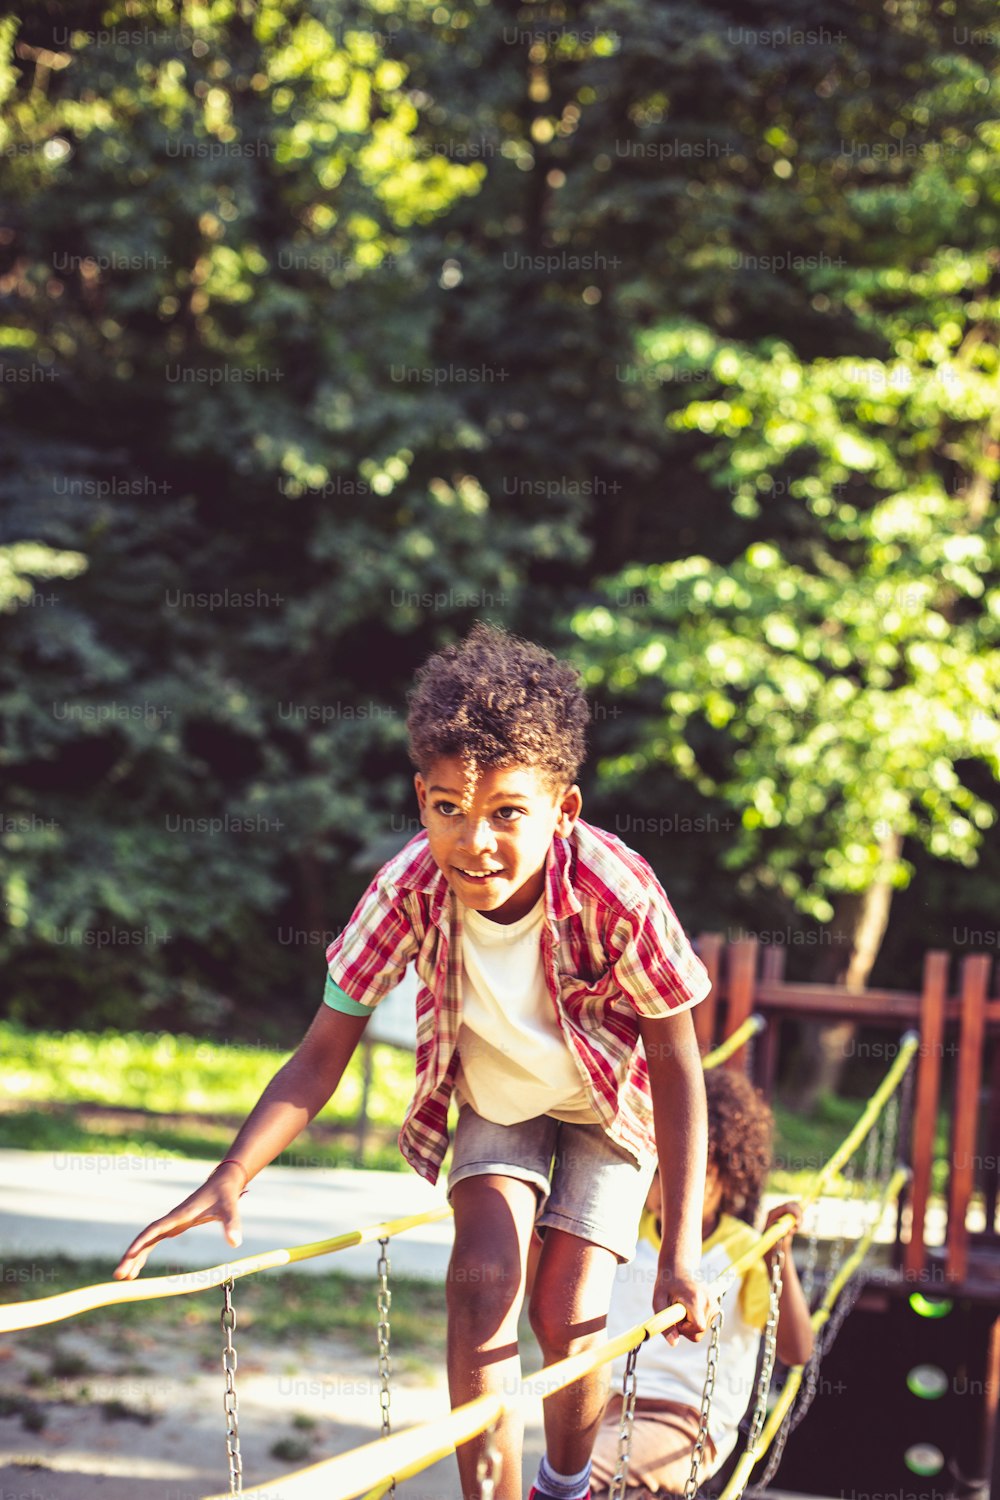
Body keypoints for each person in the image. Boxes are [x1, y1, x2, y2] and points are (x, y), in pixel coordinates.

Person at [114, 621, 717, 1500]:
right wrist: (234, 1171)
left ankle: (566, 1485)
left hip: (609, 1103)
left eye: (509, 813)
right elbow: (322, 1053)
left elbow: (675, 1056)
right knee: (479, 1283)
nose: (475, 843)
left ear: (565, 809)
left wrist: (684, 1250)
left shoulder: (615, 889)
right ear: (421, 798)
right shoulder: (407, 888)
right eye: (447, 809)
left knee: (568, 1309)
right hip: (492, 1096)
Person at [589, 1069, 815, 1498]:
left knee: (578, 1475)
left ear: (726, 1173)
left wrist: (776, 1255)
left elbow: (796, 1350)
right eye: (659, 1169)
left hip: (690, 1422)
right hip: (611, 1411)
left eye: (688, 1171)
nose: (669, 1187)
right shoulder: (626, 1229)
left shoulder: (744, 1249)